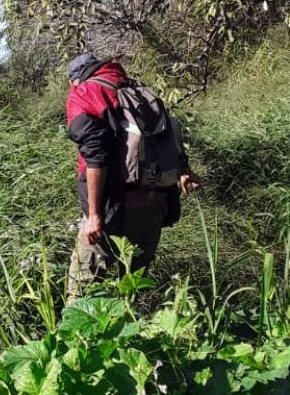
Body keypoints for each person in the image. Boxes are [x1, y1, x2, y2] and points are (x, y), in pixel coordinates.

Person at [66, 52, 201, 292]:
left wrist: (95, 215)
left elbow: (95, 156)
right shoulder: (138, 90)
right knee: (133, 287)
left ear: (75, 79)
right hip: (154, 207)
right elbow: (169, 133)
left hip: (114, 209)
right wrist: (184, 170)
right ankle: (140, 327)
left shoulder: (85, 93)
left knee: (82, 288)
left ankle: (74, 331)